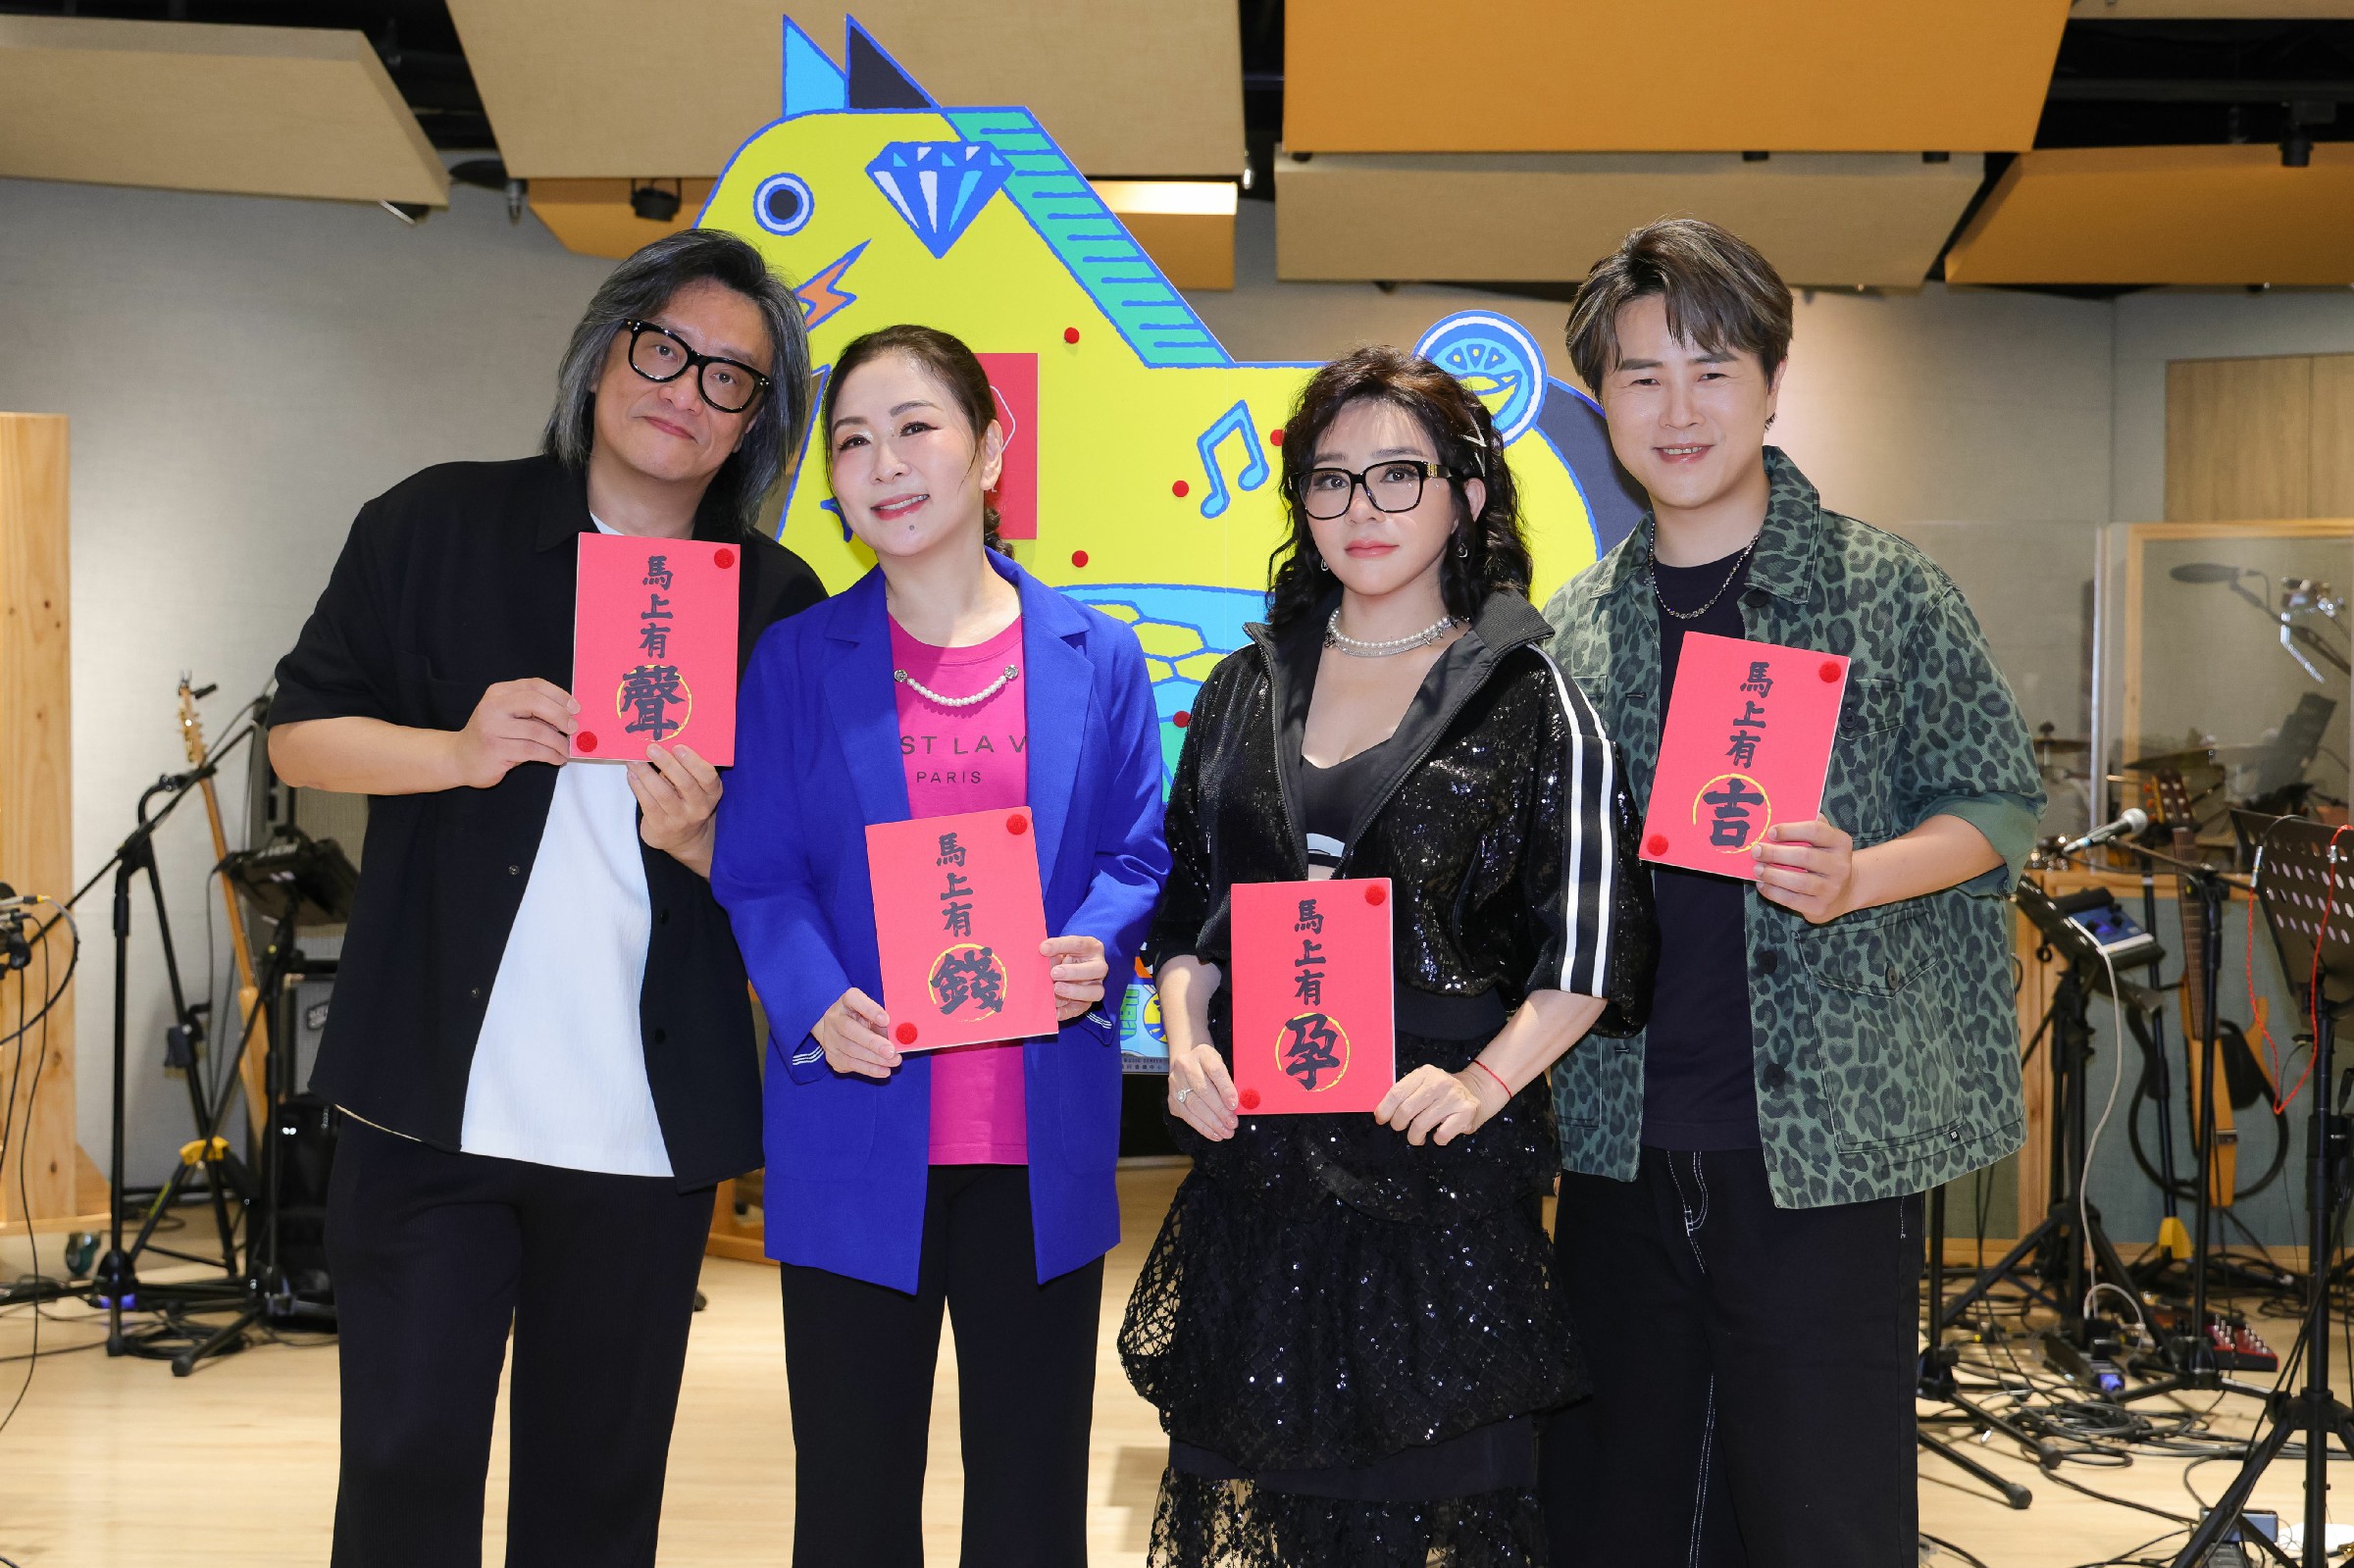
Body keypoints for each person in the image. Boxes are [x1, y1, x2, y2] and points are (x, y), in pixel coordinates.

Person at [266, 228, 826, 1567]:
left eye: (731, 377)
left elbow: (805, 868)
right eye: (664, 348)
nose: (686, 390)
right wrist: (455, 753)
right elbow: (298, 739)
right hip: (428, 1098)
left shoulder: (780, 603)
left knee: (595, 1498)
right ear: (603, 351)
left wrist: (703, 841)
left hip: (641, 1121)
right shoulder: (435, 524)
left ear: (757, 422)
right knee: (403, 1470)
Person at [1537, 218, 2043, 1566]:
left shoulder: (1885, 591)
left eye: (1713, 370)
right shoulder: (1574, 626)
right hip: (1619, 1137)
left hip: (1823, 1147)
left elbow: (1999, 803)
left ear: (1771, 382)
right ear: (1602, 403)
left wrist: (1858, 875)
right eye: (1642, 376)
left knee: (1823, 1513)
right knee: (1618, 1511)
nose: (1680, 409)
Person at [1120, 344, 1653, 1566]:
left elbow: (1591, 942)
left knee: (1430, 1509)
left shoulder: (1529, 697)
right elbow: (1189, 914)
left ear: (1467, 495)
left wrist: (1483, 1084)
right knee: (1269, 1511)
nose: (1361, 507)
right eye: (1331, 478)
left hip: (1434, 1172)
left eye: (1398, 475)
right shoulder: (1243, 685)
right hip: (1262, 1165)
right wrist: (1188, 1045)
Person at [711, 324, 1168, 1568]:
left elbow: (1137, 855)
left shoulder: (1096, 655)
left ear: (990, 449)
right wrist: (813, 1000)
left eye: (916, 428)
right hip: (857, 1125)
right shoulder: (796, 660)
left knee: (1029, 1503)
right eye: (853, 441)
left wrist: (1094, 947)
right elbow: (758, 870)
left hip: (1036, 1138)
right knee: (852, 1503)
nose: (886, 464)